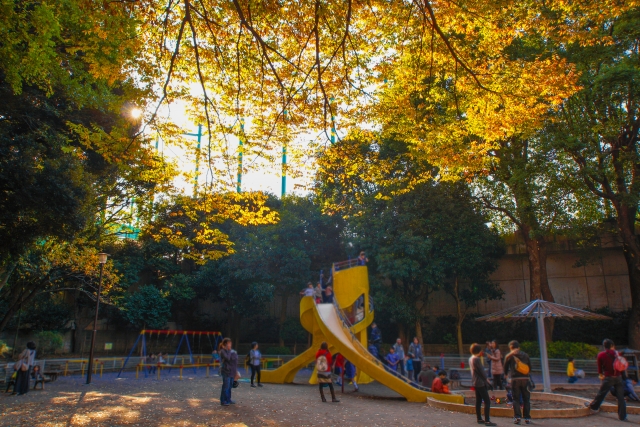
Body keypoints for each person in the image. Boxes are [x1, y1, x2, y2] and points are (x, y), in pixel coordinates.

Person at [585, 338, 626, 421]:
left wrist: (601, 375)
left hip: (608, 377)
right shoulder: (618, 354)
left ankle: (594, 406)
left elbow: (600, 368)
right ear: (611, 345)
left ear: (604, 346)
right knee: (621, 397)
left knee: (602, 393)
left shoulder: (601, 355)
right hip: (618, 377)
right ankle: (622, 416)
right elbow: (621, 366)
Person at [504, 340, 532, 425]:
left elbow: (505, 367)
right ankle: (527, 418)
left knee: (516, 399)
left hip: (515, 379)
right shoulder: (526, 355)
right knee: (526, 399)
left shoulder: (510, 356)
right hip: (525, 379)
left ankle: (517, 417)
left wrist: (506, 375)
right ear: (518, 347)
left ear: (510, 348)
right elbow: (530, 367)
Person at [470, 343, 496, 426]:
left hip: (475, 382)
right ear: (478, 350)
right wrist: (487, 380)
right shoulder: (477, 359)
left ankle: (479, 418)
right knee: (487, 401)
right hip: (481, 382)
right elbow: (482, 372)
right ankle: (487, 420)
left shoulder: (471, 358)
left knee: (478, 401)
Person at [219, 338, 238, 406]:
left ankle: (228, 399)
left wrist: (236, 372)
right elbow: (228, 358)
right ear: (225, 344)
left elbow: (234, 360)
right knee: (226, 386)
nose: (230, 345)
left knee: (229, 386)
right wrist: (230, 351)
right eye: (229, 343)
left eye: (230, 343)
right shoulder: (222, 351)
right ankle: (223, 400)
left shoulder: (231, 351)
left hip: (231, 371)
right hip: (226, 371)